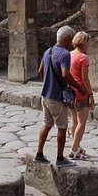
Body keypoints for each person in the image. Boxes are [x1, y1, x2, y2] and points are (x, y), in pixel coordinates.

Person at [34, 26, 84, 167]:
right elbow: (65, 74)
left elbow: (40, 71)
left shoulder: (47, 51)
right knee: (62, 127)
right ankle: (60, 158)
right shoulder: (64, 54)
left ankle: (39, 154)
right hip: (57, 96)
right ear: (67, 39)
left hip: (45, 95)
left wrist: (48, 81)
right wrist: (77, 86)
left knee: (46, 124)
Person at [68, 31, 94, 159]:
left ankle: (76, 145)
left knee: (74, 121)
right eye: (88, 42)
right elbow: (85, 78)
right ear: (84, 42)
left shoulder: (69, 55)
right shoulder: (83, 58)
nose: (89, 44)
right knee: (81, 123)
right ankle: (73, 149)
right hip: (81, 92)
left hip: (70, 92)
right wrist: (90, 94)